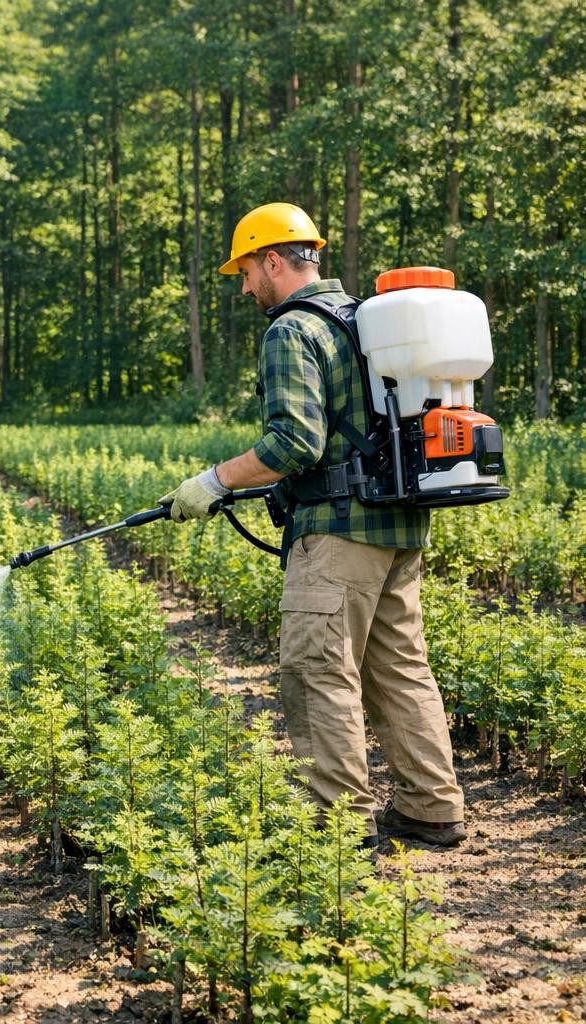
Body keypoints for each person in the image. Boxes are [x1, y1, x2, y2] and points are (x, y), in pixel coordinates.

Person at [161, 202, 466, 848]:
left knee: (318, 672)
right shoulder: (365, 322)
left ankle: (336, 835)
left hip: (337, 535)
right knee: (400, 670)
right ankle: (431, 807)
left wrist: (213, 480)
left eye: (245, 271)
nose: (244, 287)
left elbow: (294, 442)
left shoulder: (292, 331)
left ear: (274, 261)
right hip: (397, 528)